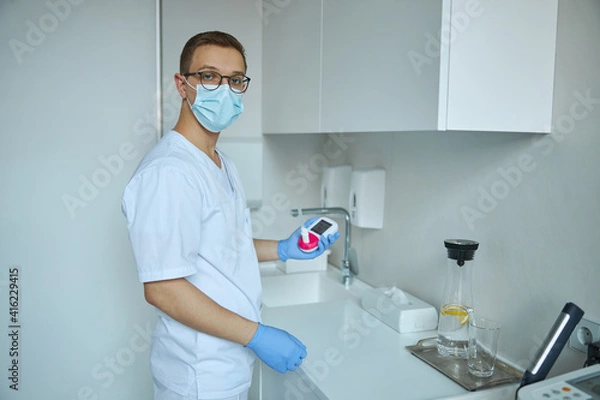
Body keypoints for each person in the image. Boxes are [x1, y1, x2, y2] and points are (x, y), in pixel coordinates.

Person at [121, 31, 339, 400]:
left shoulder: (222, 163)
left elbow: (223, 246)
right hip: (196, 374)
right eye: (208, 76)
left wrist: (284, 249)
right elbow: (163, 289)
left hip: (227, 363)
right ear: (182, 84)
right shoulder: (169, 172)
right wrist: (258, 335)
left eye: (235, 80)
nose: (223, 88)